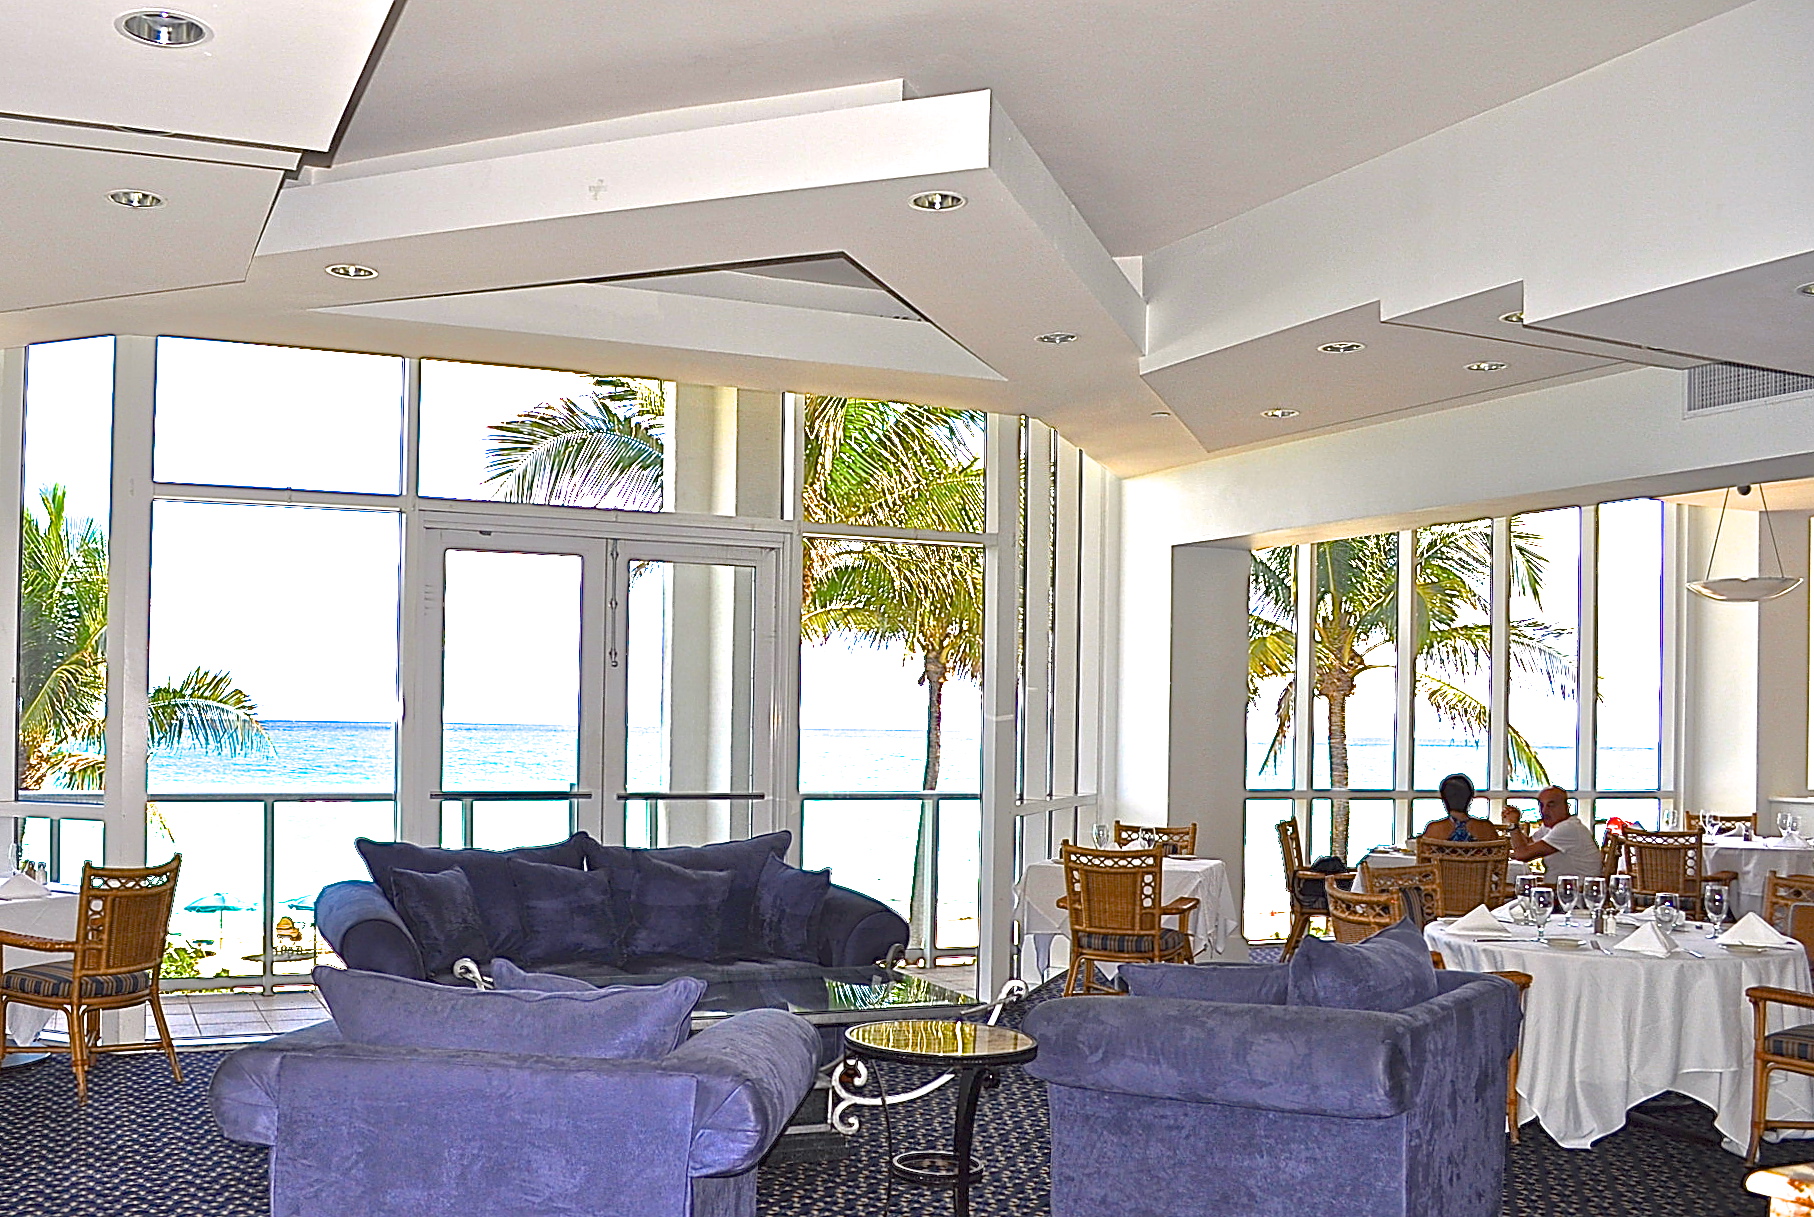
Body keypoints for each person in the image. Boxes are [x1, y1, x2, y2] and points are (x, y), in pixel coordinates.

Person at [1501, 786, 1602, 878]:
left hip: (1575, 889)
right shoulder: (1551, 826)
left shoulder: (1568, 828)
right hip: (1560, 885)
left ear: (1566, 807)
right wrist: (1514, 825)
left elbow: (1522, 855)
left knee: (1505, 882)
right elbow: (1527, 844)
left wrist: (1513, 825)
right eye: (1542, 805)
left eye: (1551, 805)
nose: (1544, 811)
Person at [1420, 773, 1500, 842]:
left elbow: (1424, 854)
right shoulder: (1487, 829)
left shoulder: (1434, 830)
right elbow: (1498, 853)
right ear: (1470, 797)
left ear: (1444, 799)